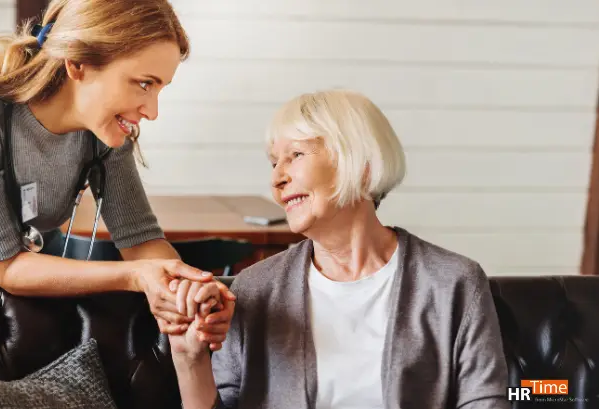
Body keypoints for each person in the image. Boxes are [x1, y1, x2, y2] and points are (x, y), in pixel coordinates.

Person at [0, 0, 232, 349]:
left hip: (15, 287)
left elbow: (140, 240)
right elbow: (5, 267)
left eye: (160, 88)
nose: (153, 111)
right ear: (78, 64)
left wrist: (188, 290)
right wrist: (138, 277)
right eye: (143, 83)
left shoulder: (104, 130)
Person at [167, 89, 510, 408]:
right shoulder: (256, 288)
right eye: (274, 162)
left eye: (295, 155)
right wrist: (189, 359)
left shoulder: (453, 282)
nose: (277, 179)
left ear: (360, 163)